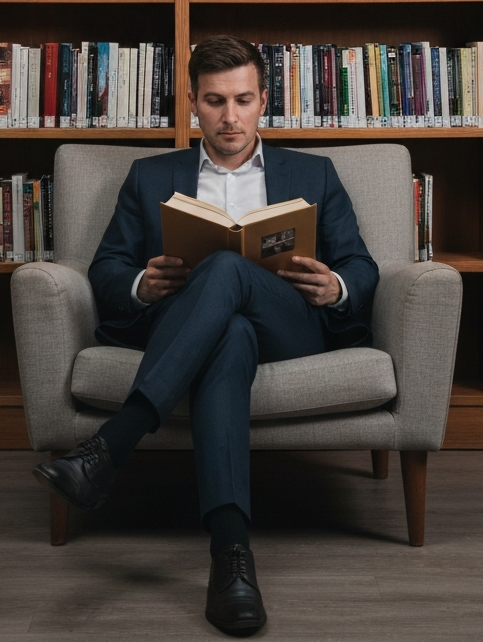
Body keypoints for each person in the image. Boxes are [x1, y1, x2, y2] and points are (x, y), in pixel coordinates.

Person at [33, 35, 379, 637]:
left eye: (243, 100)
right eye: (215, 101)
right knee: (229, 334)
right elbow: (106, 269)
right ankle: (231, 560)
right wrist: (144, 282)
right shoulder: (150, 177)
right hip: (197, 330)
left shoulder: (315, 174)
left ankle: (111, 445)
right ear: (192, 102)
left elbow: (363, 265)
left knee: (226, 270)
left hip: (290, 326)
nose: (230, 116)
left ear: (264, 100)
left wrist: (337, 287)